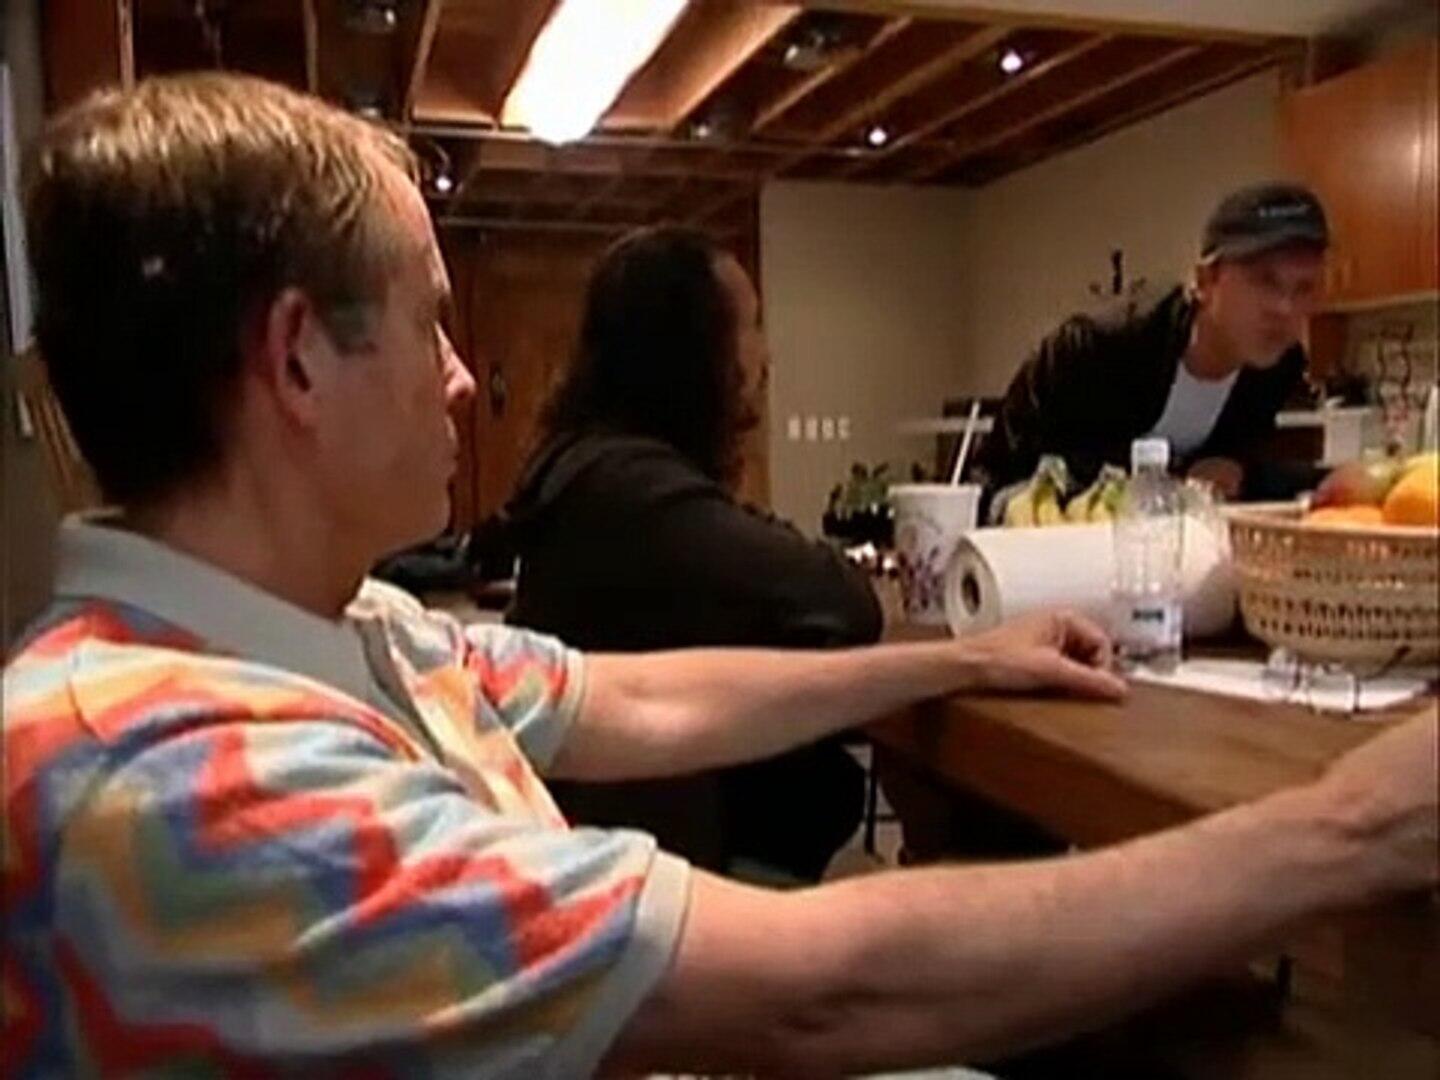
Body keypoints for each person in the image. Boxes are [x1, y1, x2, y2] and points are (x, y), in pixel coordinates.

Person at [4, 74, 1434, 1079]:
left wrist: (956, 658)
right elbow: (820, 997)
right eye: (431, 322)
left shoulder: (344, 622)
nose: (463, 378)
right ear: (300, 361)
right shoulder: (177, 781)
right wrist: (1352, 827)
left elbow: (634, 699)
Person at [503, 225, 876, 881]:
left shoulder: (595, 465)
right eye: (751, 325)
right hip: (651, 867)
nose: (766, 354)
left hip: (629, 834)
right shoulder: (627, 487)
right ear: (693, 348)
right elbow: (843, 601)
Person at [974, 182, 1329, 506]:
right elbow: (999, 479)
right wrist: (1174, 481)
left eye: (1304, 288)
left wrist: (1239, 469)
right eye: (1265, 281)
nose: (1285, 308)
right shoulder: (1099, 347)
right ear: (1205, 280)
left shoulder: (1277, 367)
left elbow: (1243, 465)